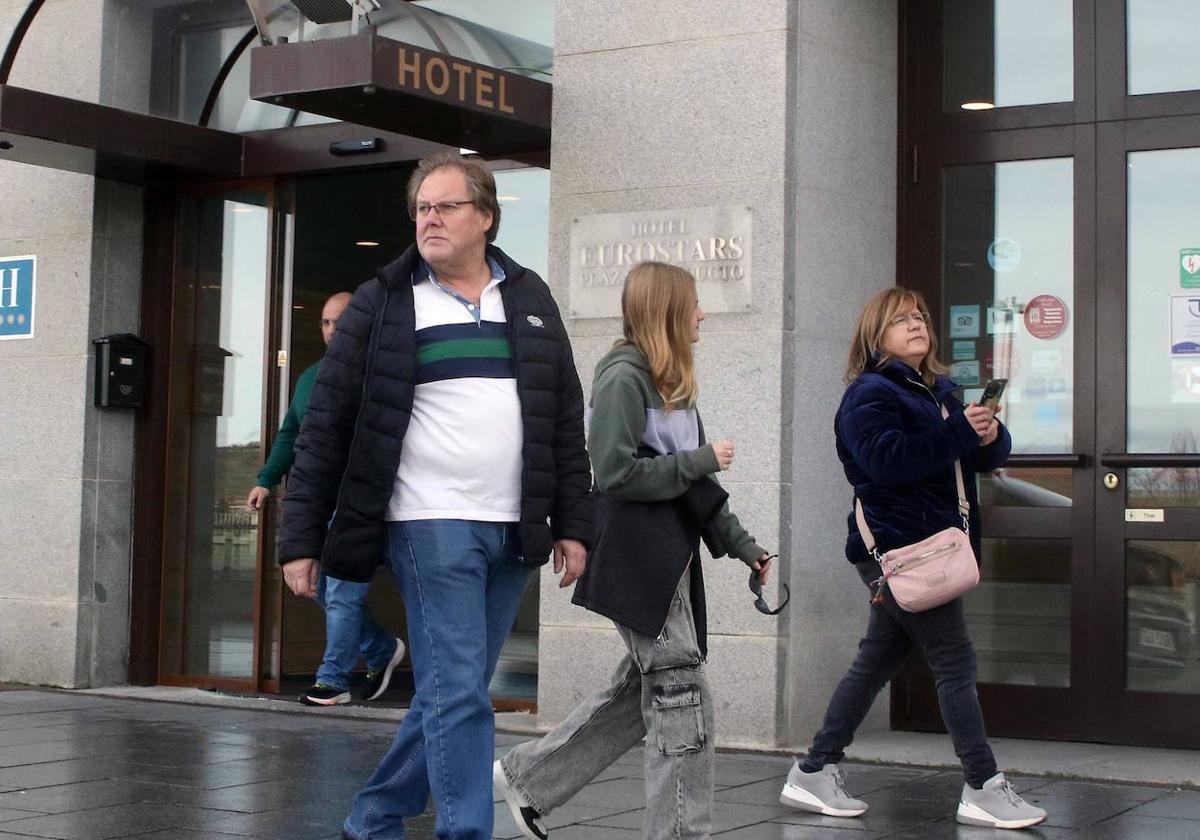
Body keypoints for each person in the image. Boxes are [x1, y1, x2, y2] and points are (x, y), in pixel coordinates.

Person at [277, 151, 593, 840]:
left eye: (446, 206)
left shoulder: (530, 298)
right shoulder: (384, 302)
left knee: (455, 693)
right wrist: (301, 539)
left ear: (484, 216)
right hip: (429, 524)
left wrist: (573, 523)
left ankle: (375, 816)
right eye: (422, 208)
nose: (430, 219)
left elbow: (563, 420)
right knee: (456, 692)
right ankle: (464, 832)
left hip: (512, 528)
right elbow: (324, 426)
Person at [493, 261, 773, 840]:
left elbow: (696, 491)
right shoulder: (622, 377)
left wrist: (748, 550)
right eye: (693, 304)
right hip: (639, 559)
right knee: (680, 693)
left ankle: (529, 781)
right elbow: (615, 473)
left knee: (641, 690)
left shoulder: (669, 383)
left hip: (666, 560)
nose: (702, 314)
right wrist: (700, 459)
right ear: (668, 312)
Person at [776, 287, 1046, 830]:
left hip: (930, 546)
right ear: (877, 334)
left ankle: (813, 770)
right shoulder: (870, 394)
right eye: (901, 319)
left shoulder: (939, 390)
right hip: (902, 550)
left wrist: (988, 434)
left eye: (920, 316)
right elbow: (885, 462)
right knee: (955, 662)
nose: (916, 324)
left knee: (875, 662)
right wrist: (954, 431)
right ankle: (982, 785)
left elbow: (978, 457)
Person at [249, 291, 405, 708]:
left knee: (341, 590)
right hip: (320, 499)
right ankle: (377, 649)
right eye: (325, 322)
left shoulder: (384, 370)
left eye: (342, 320)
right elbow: (291, 434)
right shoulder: (309, 378)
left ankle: (333, 678)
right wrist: (266, 479)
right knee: (314, 584)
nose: (333, 329)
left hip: (368, 500)